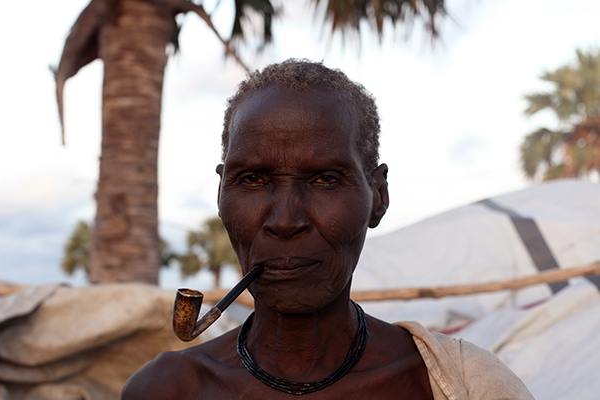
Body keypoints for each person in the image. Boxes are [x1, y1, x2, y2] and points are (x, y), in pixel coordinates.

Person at [122, 59, 534, 399]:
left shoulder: (457, 385)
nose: (285, 220)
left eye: (324, 180)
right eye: (252, 180)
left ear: (378, 196)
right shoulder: (166, 390)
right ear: (220, 193)